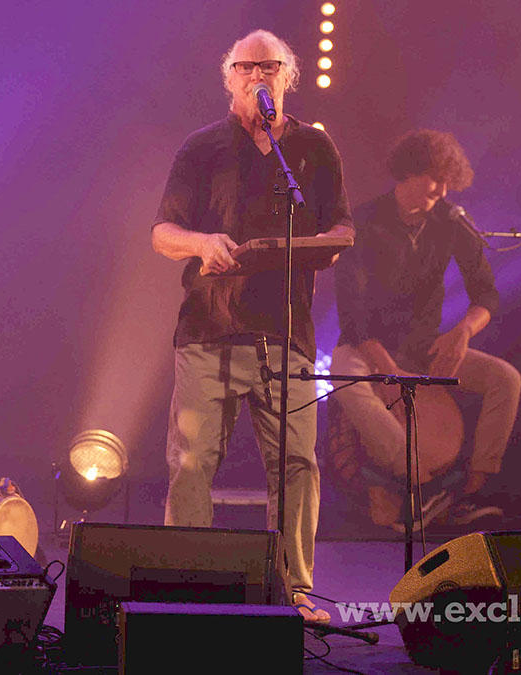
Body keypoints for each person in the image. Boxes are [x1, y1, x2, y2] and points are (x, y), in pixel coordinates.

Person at [153, 29, 354, 623]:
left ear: (288, 76)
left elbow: (342, 231)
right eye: (245, 67)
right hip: (207, 332)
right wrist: (201, 242)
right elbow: (162, 233)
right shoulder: (201, 147)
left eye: (269, 66)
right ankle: (184, 588)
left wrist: (304, 246)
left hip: (286, 334)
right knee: (191, 462)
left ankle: (295, 591)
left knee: (296, 465)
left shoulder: (313, 150)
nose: (257, 75)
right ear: (229, 78)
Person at [332, 129, 521, 529]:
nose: (442, 189)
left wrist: (464, 331)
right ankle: (420, 483)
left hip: (424, 346)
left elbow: (486, 294)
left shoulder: (450, 222)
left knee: (506, 378)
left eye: (447, 179)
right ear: (407, 173)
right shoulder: (362, 222)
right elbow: (353, 313)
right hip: (367, 345)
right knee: (342, 372)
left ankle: (471, 489)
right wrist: (386, 371)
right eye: (434, 178)